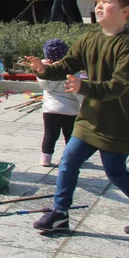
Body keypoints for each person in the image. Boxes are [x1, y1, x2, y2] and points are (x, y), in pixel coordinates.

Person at [27, 0, 129, 236]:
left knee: (115, 172)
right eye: (99, 1)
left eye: (107, 2)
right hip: (90, 116)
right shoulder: (89, 38)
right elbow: (66, 65)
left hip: (119, 120)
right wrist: (44, 69)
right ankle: (60, 213)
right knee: (68, 160)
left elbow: (118, 86)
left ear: (126, 12)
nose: (100, 6)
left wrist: (84, 87)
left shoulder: (127, 46)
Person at [36, 38, 81, 167]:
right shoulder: (71, 71)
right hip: (70, 110)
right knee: (70, 136)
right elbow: (77, 91)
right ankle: (71, 158)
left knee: (50, 135)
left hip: (50, 109)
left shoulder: (43, 72)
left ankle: (45, 159)